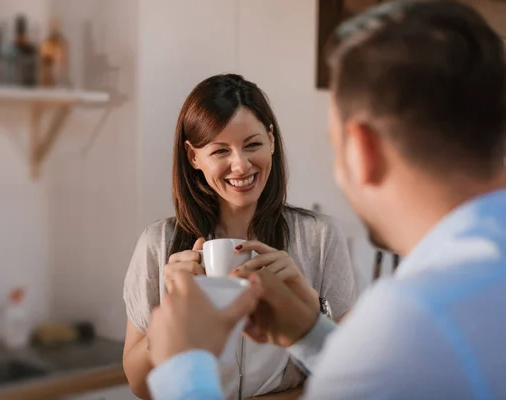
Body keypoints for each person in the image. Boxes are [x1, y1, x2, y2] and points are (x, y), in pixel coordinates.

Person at [144, 1, 506, 399]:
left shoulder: (410, 324)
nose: (239, 165)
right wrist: (311, 333)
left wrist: (184, 367)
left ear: (361, 150)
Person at [122, 74, 357, 399]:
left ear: (272, 141)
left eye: (253, 145)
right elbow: (139, 385)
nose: (240, 165)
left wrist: (311, 309)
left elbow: (349, 378)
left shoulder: (319, 237)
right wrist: (172, 322)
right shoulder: (158, 243)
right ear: (194, 157)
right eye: (220, 151)